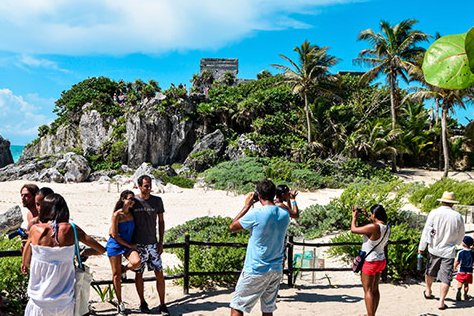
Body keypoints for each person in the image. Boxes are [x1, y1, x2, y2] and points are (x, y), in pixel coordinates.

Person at [21, 193, 105, 315]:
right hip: (64, 303)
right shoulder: (71, 229)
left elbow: (26, 262)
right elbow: (100, 249)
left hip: (38, 303)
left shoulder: (35, 230)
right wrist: (80, 253)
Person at [229, 179, 290, 316]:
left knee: (238, 305)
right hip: (275, 268)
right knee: (268, 309)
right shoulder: (285, 215)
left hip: (256, 268)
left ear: (259, 195)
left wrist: (246, 206)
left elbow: (232, 227)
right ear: (274, 194)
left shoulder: (256, 214)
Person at [418, 191, 465, 310]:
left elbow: (426, 231)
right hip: (449, 251)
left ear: (442, 201)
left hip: (434, 248)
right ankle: (441, 301)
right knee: (446, 277)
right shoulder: (458, 216)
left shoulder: (434, 213)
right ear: (452, 203)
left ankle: (428, 291)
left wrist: (422, 247)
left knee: (430, 271)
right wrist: (457, 243)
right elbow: (461, 234)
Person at [132, 175, 169, 315]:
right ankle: (142, 302)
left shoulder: (157, 201)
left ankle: (163, 304)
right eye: (146, 186)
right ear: (139, 186)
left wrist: (161, 242)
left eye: (150, 185)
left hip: (152, 243)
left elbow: (161, 222)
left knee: (159, 273)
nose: (149, 188)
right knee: (139, 274)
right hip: (138, 244)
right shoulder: (133, 201)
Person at [351, 204, 390, 316]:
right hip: (381, 260)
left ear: (374, 215)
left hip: (370, 261)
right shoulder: (386, 227)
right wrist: (366, 214)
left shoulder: (373, 227)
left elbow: (353, 229)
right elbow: (373, 223)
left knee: (367, 290)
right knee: (375, 289)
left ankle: (370, 315)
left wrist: (354, 217)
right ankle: (371, 313)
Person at [106, 190, 141, 315]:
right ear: (123, 199)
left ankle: (124, 270)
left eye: (133, 199)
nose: (132, 201)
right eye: (130, 199)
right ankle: (120, 303)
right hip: (115, 245)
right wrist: (129, 245)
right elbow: (114, 234)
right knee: (116, 275)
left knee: (137, 262)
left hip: (127, 245)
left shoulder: (132, 213)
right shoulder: (117, 215)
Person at [453, 235, 474, 301]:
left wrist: (454, 267)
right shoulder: (472, 253)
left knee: (460, 282)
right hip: (469, 272)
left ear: (464, 243)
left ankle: (459, 292)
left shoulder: (460, 252)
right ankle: (465, 295)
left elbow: (457, 261)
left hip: (461, 271)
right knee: (466, 285)